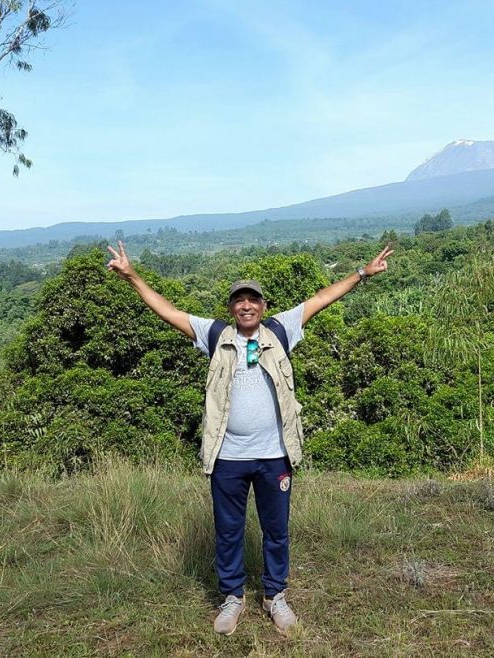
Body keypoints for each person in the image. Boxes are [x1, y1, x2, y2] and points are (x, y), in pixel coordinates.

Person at [106, 241, 393, 636]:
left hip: (275, 455)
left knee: (276, 530)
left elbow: (322, 298)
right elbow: (168, 311)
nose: (246, 306)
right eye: (239, 301)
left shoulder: (279, 330)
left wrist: (362, 273)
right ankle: (232, 598)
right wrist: (133, 277)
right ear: (231, 308)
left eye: (253, 300)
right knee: (227, 530)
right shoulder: (213, 335)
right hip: (228, 456)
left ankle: (275, 596)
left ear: (263, 305)